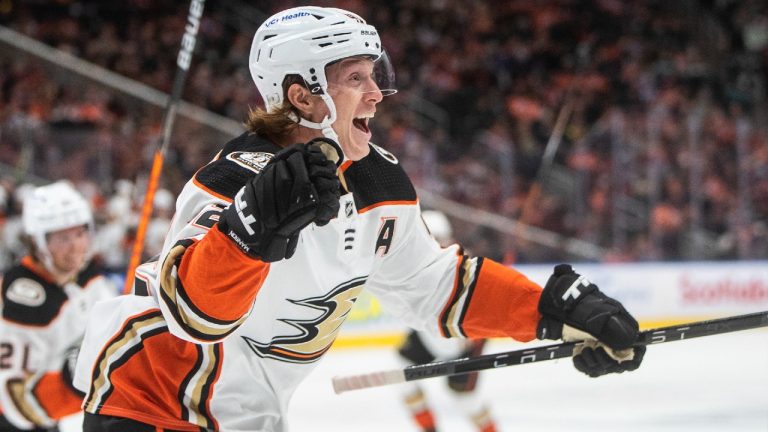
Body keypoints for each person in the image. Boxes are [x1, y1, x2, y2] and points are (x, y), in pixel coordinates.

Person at [74, 6, 645, 431]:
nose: (377, 94)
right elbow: (190, 313)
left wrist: (553, 312)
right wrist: (246, 235)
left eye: (375, 75)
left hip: (242, 413)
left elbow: (436, 286)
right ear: (302, 95)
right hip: (149, 402)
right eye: (356, 79)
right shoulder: (238, 175)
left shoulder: (379, 180)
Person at [0, 181, 116, 431]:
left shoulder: (90, 279)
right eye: (63, 238)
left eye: (80, 233)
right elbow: (17, 399)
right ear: (39, 243)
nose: (76, 246)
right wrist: (78, 376)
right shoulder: (24, 299)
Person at [396, 210, 497, 432]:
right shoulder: (411, 263)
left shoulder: (464, 265)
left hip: (461, 342)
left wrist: (476, 338)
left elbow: (486, 308)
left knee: (465, 401)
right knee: (402, 373)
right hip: (430, 335)